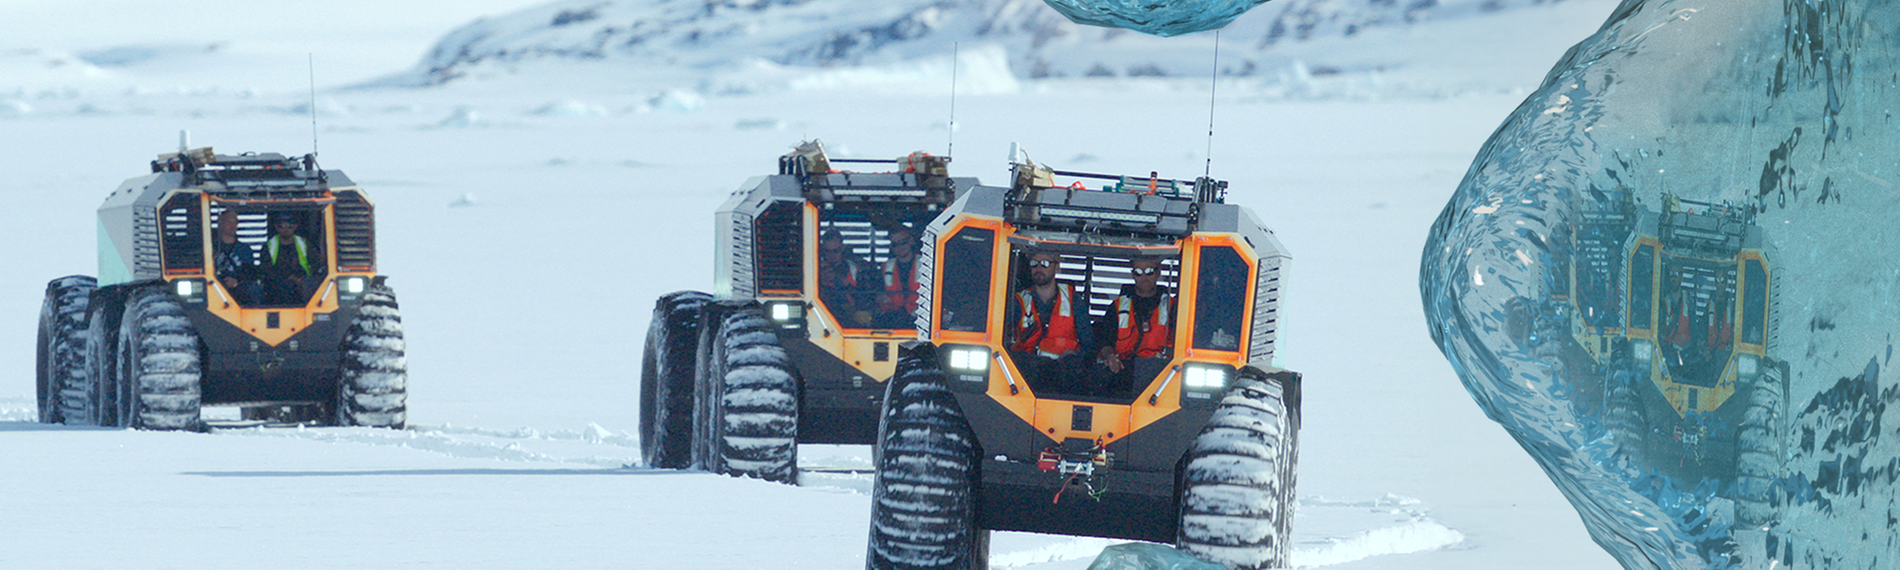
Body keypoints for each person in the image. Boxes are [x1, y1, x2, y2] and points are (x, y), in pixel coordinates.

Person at [1009, 250, 1098, 393]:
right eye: (1034, 264)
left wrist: (1074, 356)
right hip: (1028, 375)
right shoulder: (1018, 301)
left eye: (1044, 264)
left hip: (1065, 374)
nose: (1038, 268)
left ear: (1057, 267)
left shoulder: (1073, 300)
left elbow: (1089, 346)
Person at [1097, 258, 1175, 374]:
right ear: (1133, 275)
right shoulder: (1117, 306)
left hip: (1159, 370)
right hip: (1123, 367)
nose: (1144, 277)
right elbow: (1105, 342)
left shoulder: (1173, 306)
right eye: (1138, 272)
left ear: (1159, 272)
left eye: (1149, 272)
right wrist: (1110, 357)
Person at [261, 213, 323, 305]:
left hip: (303, 282)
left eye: (290, 226)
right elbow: (265, 270)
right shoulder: (268, 246)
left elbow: (315, 264)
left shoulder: (304, 244)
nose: (286, 229)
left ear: (295, 226)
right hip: (278, 284)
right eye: (281, 226)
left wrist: (303, 280)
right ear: (276, 227)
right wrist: (289, 278)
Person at [818, 229, 872, 327]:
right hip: (822, 314)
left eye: (836, 251)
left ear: (842, 248)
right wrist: (820, 283)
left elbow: (866, 299)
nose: (832, 255)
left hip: (852, 315)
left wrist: (845, 283)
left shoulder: (856, 269)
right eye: (828, 251)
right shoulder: (815, 270)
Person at [212, 209, 262, 305]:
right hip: (214, 286)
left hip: (238, 288)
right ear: (220, 224)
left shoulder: (245, 249)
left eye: (235, 222)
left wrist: (237, 282)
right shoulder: (210, 248)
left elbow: (250, 273)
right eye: (228, 222)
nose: (232, 226)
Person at [875, 227, 923, 328]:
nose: (900, 247)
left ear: (911, 241)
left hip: (921, 319)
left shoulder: (927, 264)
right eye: (895, 244)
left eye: (903, 242)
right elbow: (877, 292)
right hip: (892, 319)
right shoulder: (885, 267)